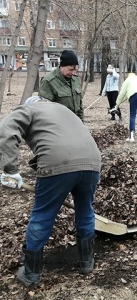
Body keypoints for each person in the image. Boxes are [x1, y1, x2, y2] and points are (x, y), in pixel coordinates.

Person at [0, 96, 101, 287]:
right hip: (92, 162)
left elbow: (6, 130)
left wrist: (10, 170)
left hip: (58, 162)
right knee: (85, 209)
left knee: (43, 214)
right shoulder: (64, 110)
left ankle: (31, 273)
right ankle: (87, 263)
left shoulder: (28, 110)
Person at [38, 50, 84, 121]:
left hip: (75, 123)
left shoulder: (75, 79)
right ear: (62, 66)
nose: (73, 72)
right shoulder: (49, 81)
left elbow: (80, 106)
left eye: (75, 70)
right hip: (58, 125)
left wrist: (82, 125)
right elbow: (44, 110)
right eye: (70, 69)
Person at [110, 73, 137, 142]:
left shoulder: (127, 80)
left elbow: (122, 94)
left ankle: (131, 137)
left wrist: (117, 105)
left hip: (134, 96)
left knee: (132, 115)